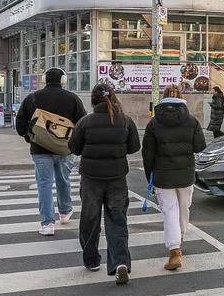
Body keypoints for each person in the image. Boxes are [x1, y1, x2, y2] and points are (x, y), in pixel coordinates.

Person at [70, 83, 139, 284]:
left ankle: (91, 259)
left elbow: (74, 147)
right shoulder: (125, 121)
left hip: (91, 178)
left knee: (89, 218)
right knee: (117, 220)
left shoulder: (85, 122)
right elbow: (134, 147)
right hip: (117, 177)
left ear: (93, 101)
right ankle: (120, 262)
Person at [15, 67, 86, 235]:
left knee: (44, 184)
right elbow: (82, 123)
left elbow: (20, 124)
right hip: (64, 148)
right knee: (63, 179)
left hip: (39, 148)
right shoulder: (72, 98)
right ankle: (65, 211)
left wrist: (30, 137)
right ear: (63, 80)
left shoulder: (32, 98)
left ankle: (47, 223)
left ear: (44, 79)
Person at [142, 85, 205, 271]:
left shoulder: (154, 123)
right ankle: (180, 236)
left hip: (163, 175)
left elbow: (147, 153)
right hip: (186, 174)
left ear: (163, 97)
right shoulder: (191, 121)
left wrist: (150, 176)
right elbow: (199, 146)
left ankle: (174, 249)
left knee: (169, 211)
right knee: (184, 209)